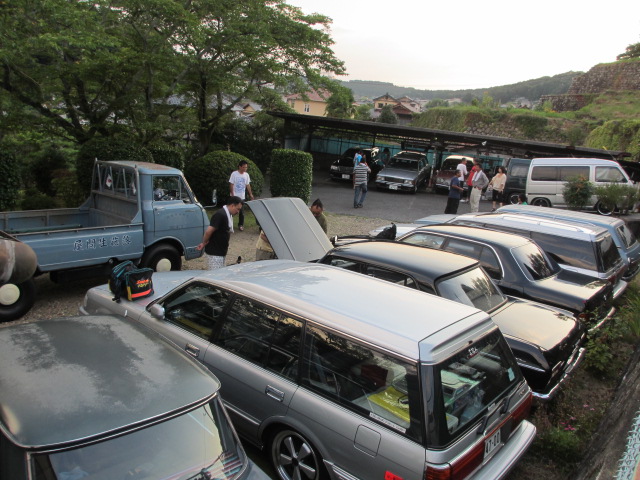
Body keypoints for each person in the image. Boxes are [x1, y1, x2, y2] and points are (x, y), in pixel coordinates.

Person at [197, 196, 243, 269]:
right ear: (232, 205)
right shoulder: (220, 214)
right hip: (214, 253)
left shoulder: (228, 215)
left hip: (221, 251)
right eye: (238, 209)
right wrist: (203, 243)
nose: (238, 212)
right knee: (215, 274)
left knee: (221, 273)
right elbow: (208, 231)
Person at [228, 160, 254, 231]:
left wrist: (250, 194)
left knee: (241, 212)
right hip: (235, 196)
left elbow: (248, 185)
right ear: (239, 166)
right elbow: (231, 184)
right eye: (243, 167)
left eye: (246, 167)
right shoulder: (234, 174)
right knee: (232, 211)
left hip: (242, 197)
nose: (245, 169)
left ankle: (241, 225)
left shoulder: (246, 175)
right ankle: (228, 224)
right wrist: (232, 195)